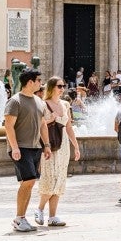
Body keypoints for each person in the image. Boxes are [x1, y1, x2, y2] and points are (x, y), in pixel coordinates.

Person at [4, 69, 50, 232]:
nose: (41, 83)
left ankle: (22, 218)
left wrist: (47, 145)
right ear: (30, 82)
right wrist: (14, 147)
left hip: (35, 147)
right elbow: (8, 125)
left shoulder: (39, 101)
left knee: (29, 183)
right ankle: (19, 218)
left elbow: (43, 124)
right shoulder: (15, 101)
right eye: (38, 80)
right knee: (29, 180)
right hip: (20, 147)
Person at [34, 76, 78, 227]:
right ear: (52, 87)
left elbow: (69, 127)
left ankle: (52, 216)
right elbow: (38, 126)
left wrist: (76, 146)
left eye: (63, 86)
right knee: (49, 178)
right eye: (60, 86)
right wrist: (50, 120)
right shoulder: (43, 105)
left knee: (59, 180)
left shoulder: (65, 104)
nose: (62, 88)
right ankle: (39, 209)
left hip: (64, 145)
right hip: (50, 146)